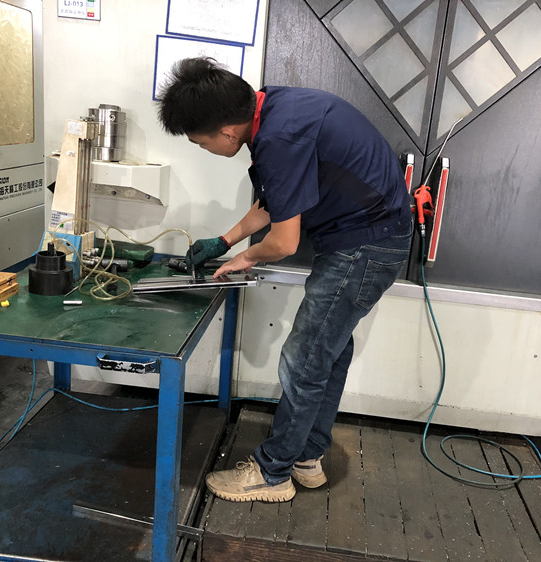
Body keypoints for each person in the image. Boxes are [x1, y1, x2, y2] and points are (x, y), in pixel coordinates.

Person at [157, 57, 412, 503]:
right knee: (328, 352)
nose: (203, 149)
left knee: (305, 359)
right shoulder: (274, 108)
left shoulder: (278, 138)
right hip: (370, 239)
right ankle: (306, 456)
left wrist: (244, 257)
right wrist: (224, 240)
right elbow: (274, 202)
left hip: (365, 246)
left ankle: (272, 474)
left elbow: (284, 242)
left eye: (200, 143)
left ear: (227, 133)